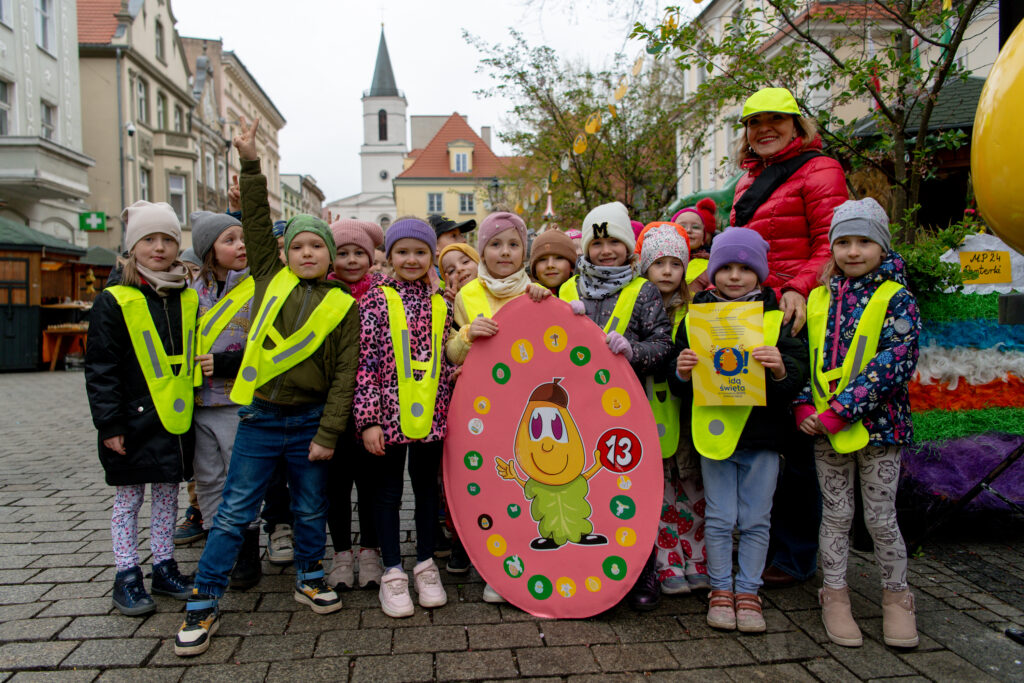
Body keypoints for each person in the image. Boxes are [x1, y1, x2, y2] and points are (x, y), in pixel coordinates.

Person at [175, 118, 359, 656]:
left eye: (316, 247)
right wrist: (250, 162)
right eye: (297, 245)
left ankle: (309, 575)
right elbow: (256, 220)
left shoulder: (341, 306)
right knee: (233, 513)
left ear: (329, 256)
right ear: (283, 253)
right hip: (257, 417)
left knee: (308, 509)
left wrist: (328, 433)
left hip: (308, 422)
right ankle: (203, 601)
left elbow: (345, 374)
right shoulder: (267, 279)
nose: (306, 253)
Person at [731, 87, 848, 588]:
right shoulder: (748, 180)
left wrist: (799, 287)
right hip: (758, 312)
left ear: (798, 126)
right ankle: (765, 540)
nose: (765, 130)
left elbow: (832, 243)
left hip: (799, 316)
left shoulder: (820, 170)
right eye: (755, 123)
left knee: (798, 440)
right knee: (763, 434)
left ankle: (796, 557)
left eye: (776, 120)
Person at [794, 198, 920, 649]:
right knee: (836, 513)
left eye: (864, 241)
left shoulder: (897, 297)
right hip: (825, 428)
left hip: (880, 427)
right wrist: (805, 406)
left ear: (882, 246)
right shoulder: (819, 297)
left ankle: (896, 598)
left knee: (882, 517)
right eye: (843, 242)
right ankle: (835, 595)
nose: (852, 251)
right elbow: (811, 359)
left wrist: (841, 410)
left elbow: (894, 362)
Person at [671, 227, 808, 632]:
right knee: (718, 517)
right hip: (715, 434)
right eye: (726, 267)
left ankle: (748, 590)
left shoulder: (774, 318)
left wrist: (781, 368)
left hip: (762, 437)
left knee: (755, 518)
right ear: (712, 271)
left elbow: (797, 373)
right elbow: (678, 374)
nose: (734, 276)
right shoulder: (697, 316)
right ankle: (720, 589)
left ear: (760, 273)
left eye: (745, 268)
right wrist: (681, 372)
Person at [559, 201, 673, 611]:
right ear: (587, 248)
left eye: (614, 242)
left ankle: (642, 573)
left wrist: (633, 351)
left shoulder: (643, 290)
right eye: (598, 242)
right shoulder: (569, 290)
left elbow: (663, 345)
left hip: (628, 413)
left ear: (628, 246)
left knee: (632, 494)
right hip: (578, 413)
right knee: (588, 491)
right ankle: (591, 574)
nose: (606, 251)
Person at [85, 200, 196, 616]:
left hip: (173, 419)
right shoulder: (114, 300)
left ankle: (164, 566)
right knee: (129, 500)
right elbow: (101, 368)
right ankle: (126, 574)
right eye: (149, 239)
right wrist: (109, 423)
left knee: (167, 495)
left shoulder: (183, 297)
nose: (159, 248)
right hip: (131, 420)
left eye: (168, 239)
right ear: (133, 247)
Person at [444, 212, 550, 601]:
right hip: (484, 411)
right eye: (495, 244)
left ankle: (522, 564)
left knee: (523, 485)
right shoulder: (468, 295)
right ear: (482, 251)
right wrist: (469, 335)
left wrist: (545, 302)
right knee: (491, 487)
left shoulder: (535, 291)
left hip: (526, 410)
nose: (504, 252)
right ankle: (497, 568)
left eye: (513, 244)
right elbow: (452, 354)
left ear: (524, 250)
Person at [356, 218, 456, 618]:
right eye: (403, 252)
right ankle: (393, 571)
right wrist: (369, 420)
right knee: (388, 493)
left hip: (433, 413)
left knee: (427, 491)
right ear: (390, 256)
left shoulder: (444, 303)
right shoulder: (375, 301)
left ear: (432, 256)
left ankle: (426, 564)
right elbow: (366, 362)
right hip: (388, 414)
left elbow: (445, 358)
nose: (411, 259)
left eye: (420, 252)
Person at [635, 223, 710, 595]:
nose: (667, 271)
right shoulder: (637, 308)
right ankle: (667, 562)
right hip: (649, 413)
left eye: (675, 263)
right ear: (645, 267)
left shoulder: (696, 310)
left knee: (692, 484)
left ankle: (697, 557)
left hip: (686, 413)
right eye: (658, 263)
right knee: (660, 489)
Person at [189, 210, 261, 590]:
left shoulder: (255, 287)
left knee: (241, 478)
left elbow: (264, 343)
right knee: (208, 477)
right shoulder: (191, 292)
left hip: (238, 399)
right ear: (209, 251)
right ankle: (219, 547)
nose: (240, 246)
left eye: (242, 238)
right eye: (229, 240)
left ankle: (247, 549)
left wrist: (225, 363)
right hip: (199, 402)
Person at [325, 219, 386, 590]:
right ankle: (341, 554)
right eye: (343, 253)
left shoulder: (382, 293)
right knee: (336, 486)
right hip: (331, 407)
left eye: (358, 253)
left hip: (373, 409)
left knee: (370, 485)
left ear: (371, 257)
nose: (351, 260)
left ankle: (371, 550)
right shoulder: (321, 293)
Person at [671, 198, 717, 296]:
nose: (688, 230)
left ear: (703, 239)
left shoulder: (711, 266)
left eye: (695, 227)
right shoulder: (659, 262)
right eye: (682, 226)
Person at [529, 229, 577, 294]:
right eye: (542, 259)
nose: (550, 265)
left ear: (572, 266)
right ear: (534, 269)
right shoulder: (527, 295)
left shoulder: (586, 292)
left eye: (559, 258)